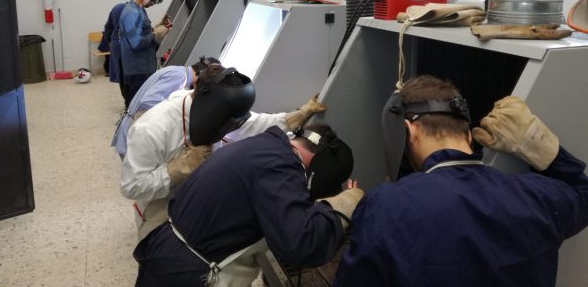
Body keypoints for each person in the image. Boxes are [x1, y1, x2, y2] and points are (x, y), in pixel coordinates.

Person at [333, 75, 588, 287]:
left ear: (408, 131)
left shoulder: (387, 206)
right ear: (468, 134)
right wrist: (533, 139)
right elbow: (583, 193)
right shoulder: (539, 196)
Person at [133, 124, 364, 287]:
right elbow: (301, 245)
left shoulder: (262, 145)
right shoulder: (283, 167)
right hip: (190, 274)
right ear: (320, 168)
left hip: (165, 250)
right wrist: (344, 204)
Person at [120, 63, 326, 240]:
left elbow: (256, 123)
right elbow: (132, 186)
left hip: (195, 203)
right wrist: (180, 168)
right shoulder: (152, 128)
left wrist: (299, 115)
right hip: (159, 211)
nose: (228, 128)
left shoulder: (222, 112)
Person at [111, 56, 220, 159]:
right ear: (201, 73)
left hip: (135, 129)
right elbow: (149, 101)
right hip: (134, 133)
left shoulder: (179, 71)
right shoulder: (179, 77)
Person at [119, 0, 169, 106]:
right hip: (138, 70)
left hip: (143, 67)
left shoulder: (138, 9)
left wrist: (159, 25)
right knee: (138, 108)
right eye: (152, 0)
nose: (152, 4)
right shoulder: (132, 12)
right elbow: (135, 43)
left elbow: (141, 31)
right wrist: (156, 33)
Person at [98, 2, 128, 105]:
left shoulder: (117, 8)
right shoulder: (137, 10)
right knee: (131, 77)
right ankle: (131, 104)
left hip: (116, 45)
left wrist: (110, 41)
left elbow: (108, 28)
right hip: (129, 47)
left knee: (122, 76)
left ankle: (127, 103)